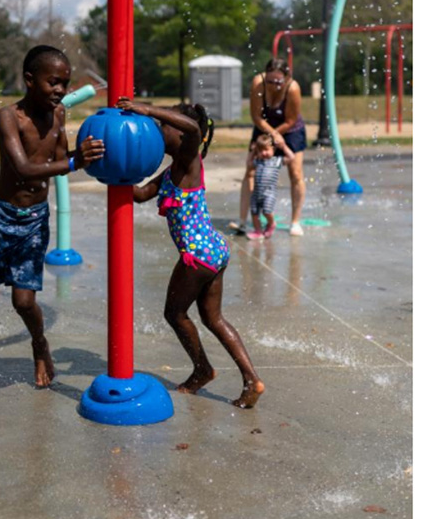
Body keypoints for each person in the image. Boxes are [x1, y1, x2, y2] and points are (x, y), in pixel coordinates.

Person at [0, 45, 105, 408]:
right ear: (29, 80)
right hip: (0, 217)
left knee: (23, 300)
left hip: (34, 221)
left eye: (64, 83)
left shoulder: (59, 114)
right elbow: (23, 168)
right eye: (53, 82)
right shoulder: (8, 117)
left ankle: (39, 342)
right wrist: (76, 163)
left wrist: (88, 152)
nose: (60, 90)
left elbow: (62, 157)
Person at [121, 97, 264, 409]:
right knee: (213, 319)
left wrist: (148, 110)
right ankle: (252, 379)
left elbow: (192, 130)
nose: (158, 129)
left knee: (174, 313)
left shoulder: (190, 157)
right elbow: (141, 194)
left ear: (184, 133)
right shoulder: (173, 170)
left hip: (197, 255)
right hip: (213, 250)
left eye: (164, 124)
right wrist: (115, 166)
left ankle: (202, 369)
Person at [231, 58, 307, 236]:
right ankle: (243, 221)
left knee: (295, 172)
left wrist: (278, 137)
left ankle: (295, 222)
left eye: (278, 81)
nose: (274, 85)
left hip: (290, 129)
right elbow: (256, 117)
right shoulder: (259, 84)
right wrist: (271, 136)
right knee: (250, 170)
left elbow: (290, 120)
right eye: (270, 81)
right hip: (264, 127)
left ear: (287, 78)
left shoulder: (292, 88)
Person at [247, 133, 289, 240]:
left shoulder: (276, 161)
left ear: (273, 149)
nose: (264, 153)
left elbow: (291, 157)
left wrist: (284, 147)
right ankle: (258, 231)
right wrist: (253, 152)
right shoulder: (258, 161)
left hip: (269, 193)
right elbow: (249, 163)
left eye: (266, 150)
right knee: (254, 212)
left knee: (267, 211)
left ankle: (272, 223)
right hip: (256, 193)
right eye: (260, 151)